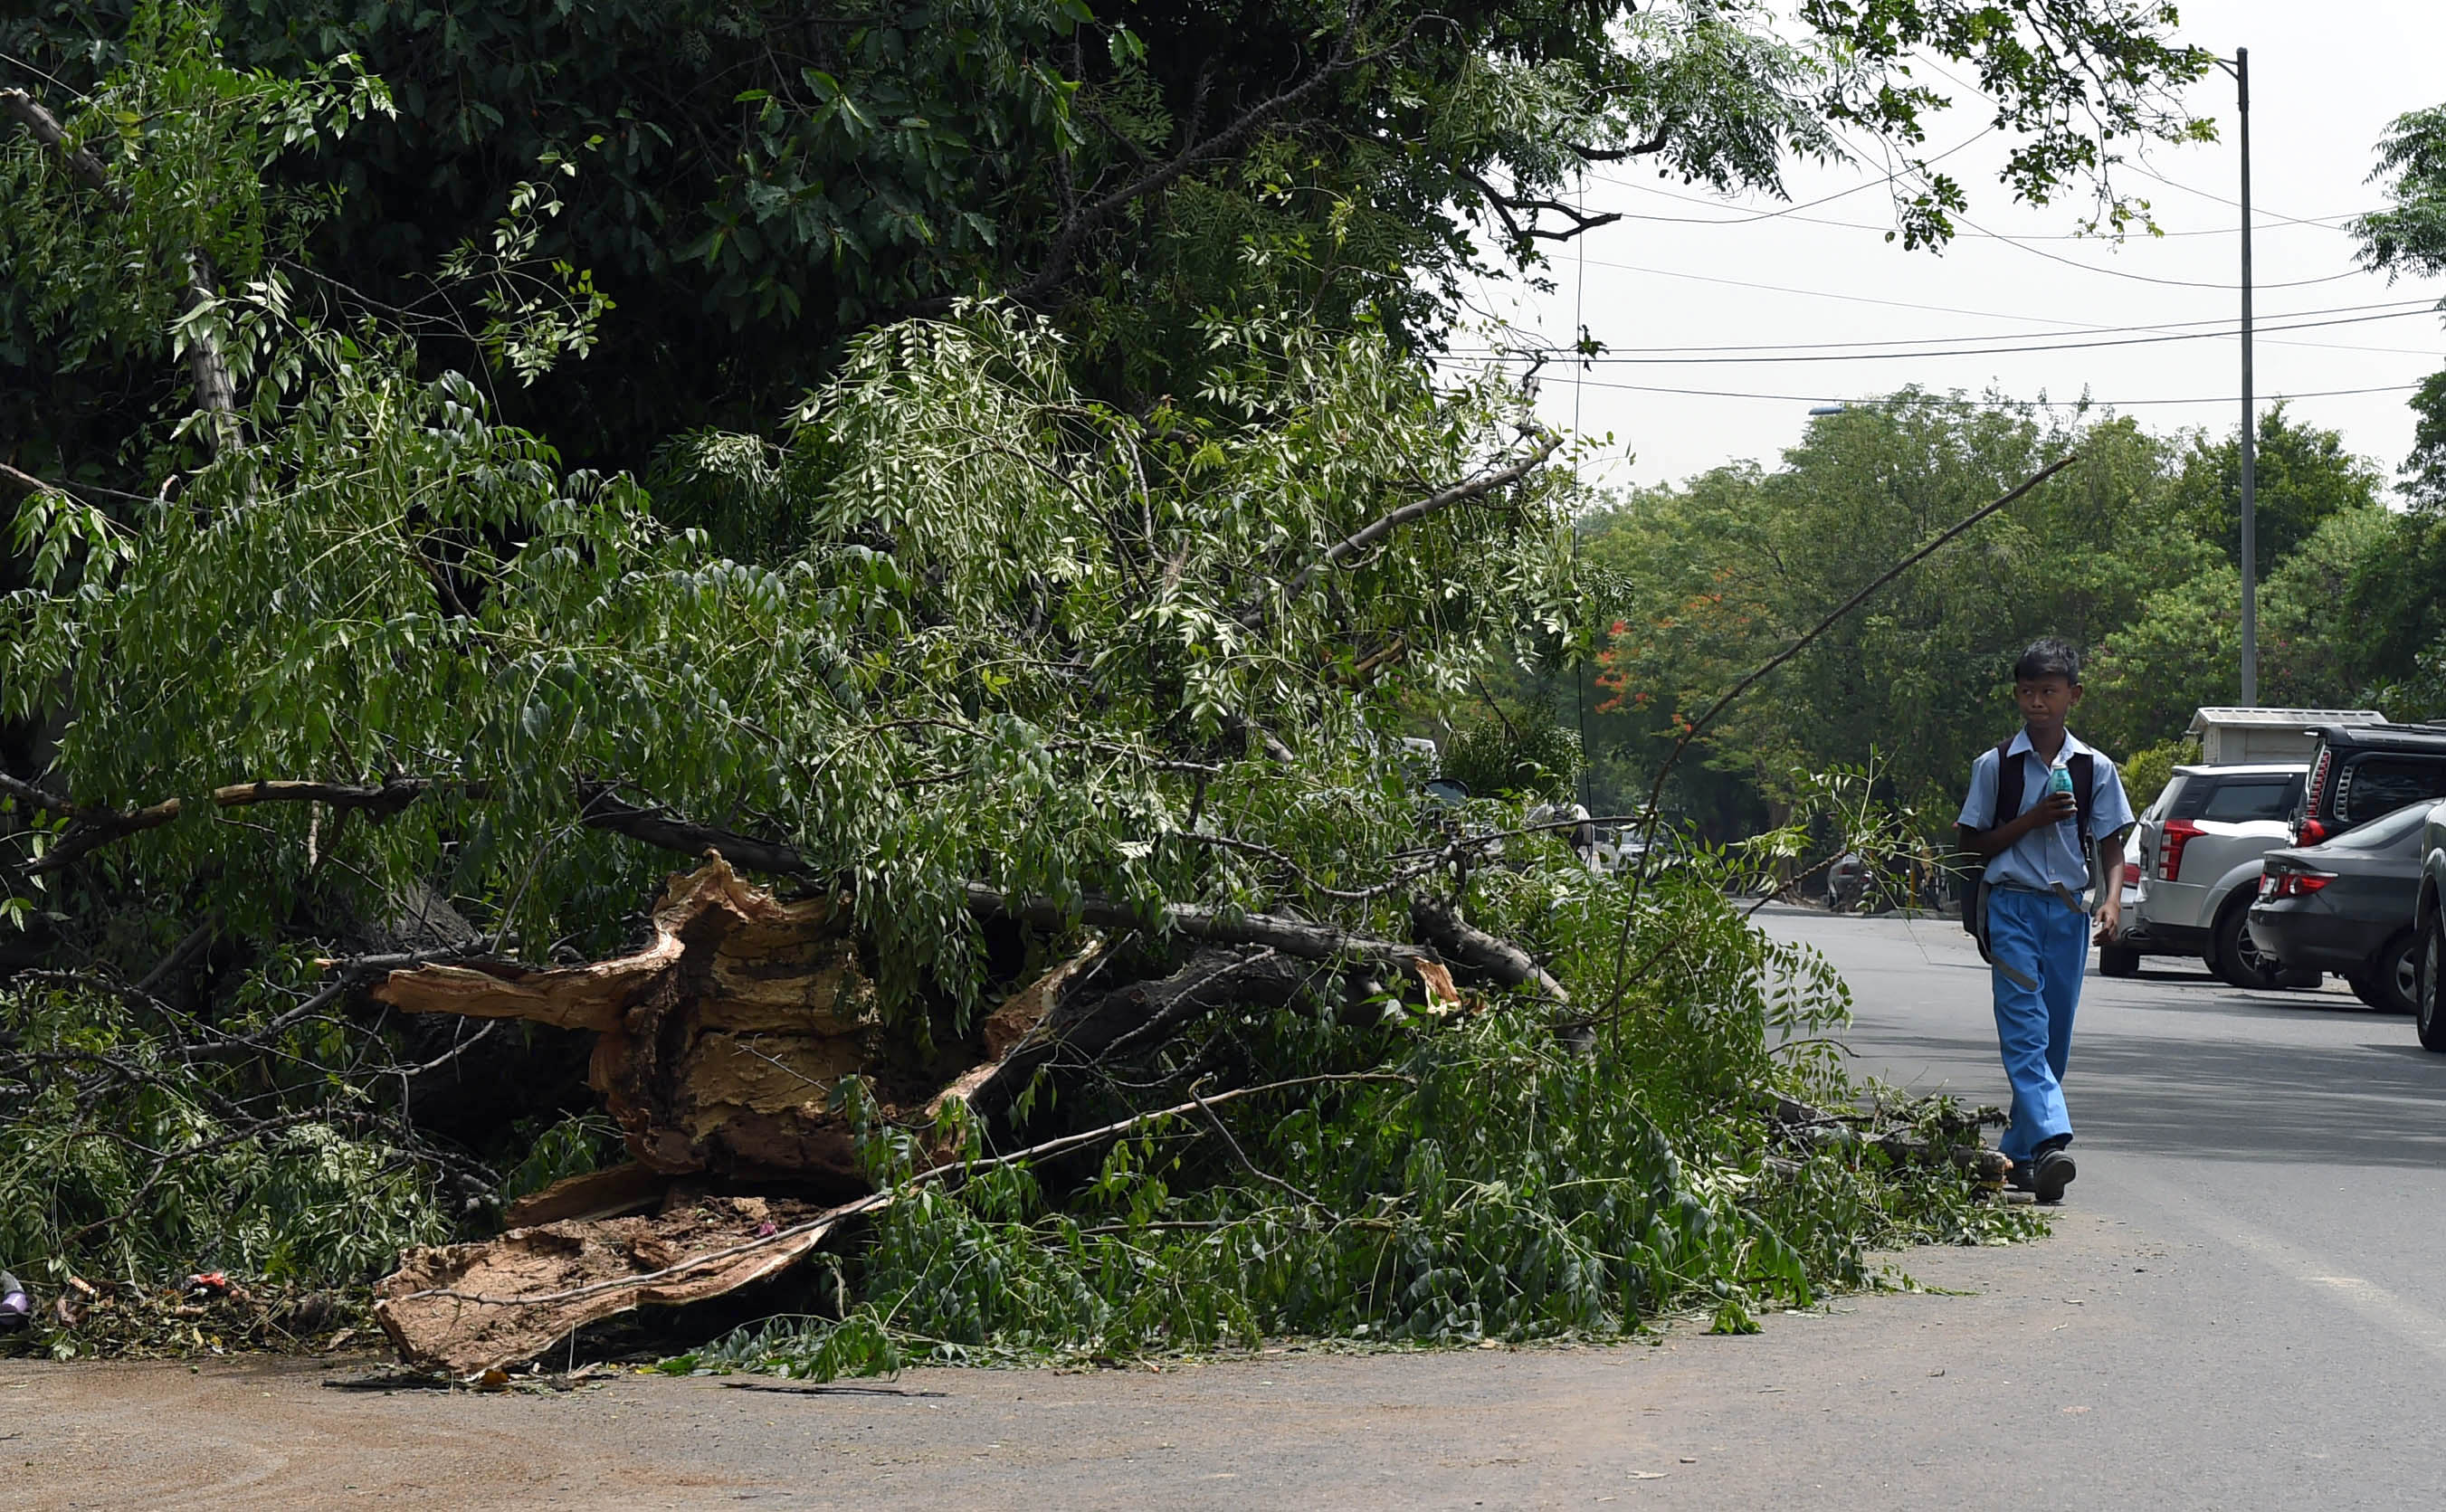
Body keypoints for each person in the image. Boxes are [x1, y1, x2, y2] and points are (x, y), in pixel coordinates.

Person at [1956, 638, 2133, 1204]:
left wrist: (2112, 901)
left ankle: (2019, 1157)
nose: (2038, 702)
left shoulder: (2093, 768)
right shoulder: (1996, 765)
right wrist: (2031, 818)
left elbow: (2110, 845)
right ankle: (2054, 1138)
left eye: (2049, 691)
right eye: (2028, 691)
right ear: (2017, 695)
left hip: (2068, 915)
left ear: (2073, 695)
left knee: (2055, 1038)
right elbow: (1972, 843)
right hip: (2010, 906)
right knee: (2025, 1031)